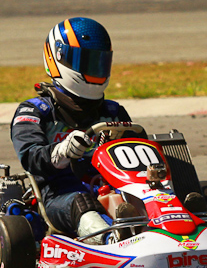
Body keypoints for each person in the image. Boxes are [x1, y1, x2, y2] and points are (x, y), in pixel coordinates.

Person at [10, 17, 131, 245]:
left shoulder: (114, 112)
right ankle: (110, 241)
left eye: (98, 62)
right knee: (81, 202)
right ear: (57, 59)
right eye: (85, 62)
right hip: (58, 196)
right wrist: (62, 151)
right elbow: (29, 156)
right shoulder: (35, 111)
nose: (93, 69)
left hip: (111, 189)